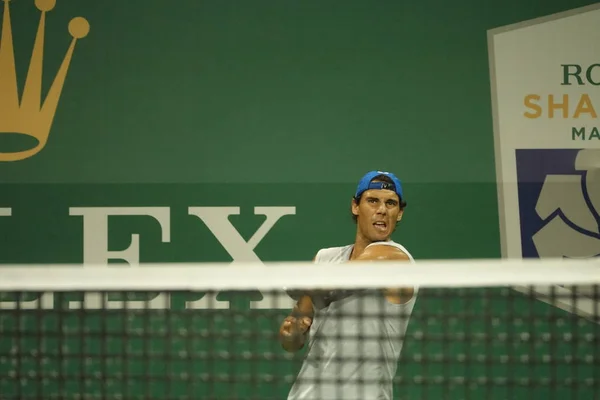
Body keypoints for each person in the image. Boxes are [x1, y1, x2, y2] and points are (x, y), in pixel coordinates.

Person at [279, 170, 418, 400]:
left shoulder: (396, 258)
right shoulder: (325, 258)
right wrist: (292, 332)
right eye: (373, 201)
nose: (382, 209)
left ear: (399, 213)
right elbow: (292, 342)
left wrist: (304, 280)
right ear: (355, 206)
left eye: (391, 203)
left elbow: (349, 272)